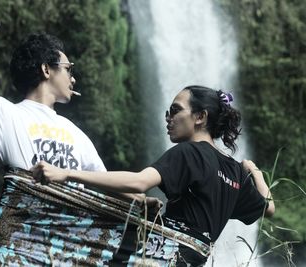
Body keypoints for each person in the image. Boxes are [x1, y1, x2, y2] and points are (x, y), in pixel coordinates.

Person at [0, 16, 150, 266]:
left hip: (67, 246)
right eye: (68, 69)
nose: (73, 78)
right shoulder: (6, 113)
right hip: (18, 241)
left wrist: (143, 203)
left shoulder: (76, 133)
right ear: (47, 69)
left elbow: (108, 184)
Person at [36, 85, 275, 266]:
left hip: (163, 254)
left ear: (200, 117)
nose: (168, 118)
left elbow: (139, 182)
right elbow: (268, 208)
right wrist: (254, 171)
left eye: (175, 111)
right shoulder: (234, 170)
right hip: (192, 260)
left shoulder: (189, 152)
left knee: (75, 244)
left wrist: (67, 174)